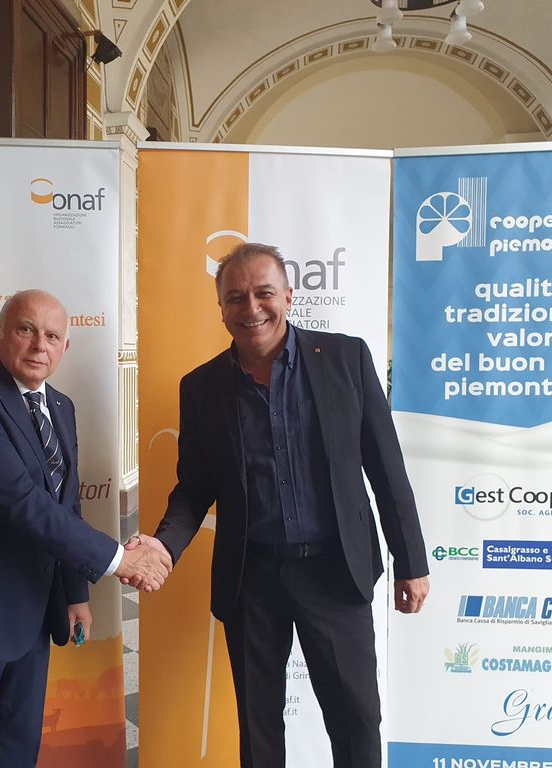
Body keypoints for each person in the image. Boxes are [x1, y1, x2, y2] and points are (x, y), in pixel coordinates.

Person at [133, 243, 429, 768]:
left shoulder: (346, 359)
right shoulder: (201, 387)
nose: (251, 308)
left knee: (357, 722)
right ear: (221, 308)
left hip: (335, 571)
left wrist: (411, 561)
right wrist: (163, 546)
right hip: (252, 580)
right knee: (259, 730)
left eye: (263, 293)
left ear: (288, 297)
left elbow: (386, 467)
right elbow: (194, 488)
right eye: (235, 297)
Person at [0, 289, 170, 768]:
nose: (38, 346)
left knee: (16, 748)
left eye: (52, 336)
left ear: (65, 346)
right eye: (26, 330)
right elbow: (21, 504)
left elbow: (65, 505)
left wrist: (74, 594)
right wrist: (121, 559)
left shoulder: (61, 406)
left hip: (31, 611)